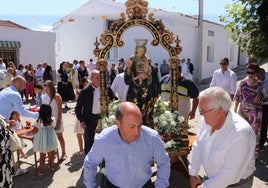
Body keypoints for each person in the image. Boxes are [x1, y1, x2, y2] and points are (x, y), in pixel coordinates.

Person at [83, 102, 170, 187]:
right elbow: (90, 162)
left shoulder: (152, 137)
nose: (138, 132)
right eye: (132, 127)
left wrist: (160, 185)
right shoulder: (105, 139)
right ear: (118, 123)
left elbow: (164, 162)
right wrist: (90, 185)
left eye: (139, 125)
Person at [189, 87, 256, 188]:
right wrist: (192, 174)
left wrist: (204, 187)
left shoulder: (240, 134)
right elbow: (197, 146)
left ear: (219, 111)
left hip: (235, 185)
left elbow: (229, 174)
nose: (200, 114)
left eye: (202, 110)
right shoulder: (207, 120)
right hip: (212, 180)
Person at [75, 70, 117, 155]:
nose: (99, 79)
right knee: (89, 142)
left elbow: (115, 102)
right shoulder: (85, 91)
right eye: (97, 77)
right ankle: (89, 162)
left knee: (105, 140)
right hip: (89, 119)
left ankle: (104, 162)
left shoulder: (107, 89)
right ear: (92, 79)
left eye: (100, 77)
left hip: (104, 118)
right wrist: (81, 120)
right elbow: (78, 108)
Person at [124, 39, 160, 126]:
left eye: (143, 51)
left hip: (146, 91)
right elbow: (127, 80)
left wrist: (149, 74)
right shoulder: (132, 62)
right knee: (133, 109)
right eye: (140, 50)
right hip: (134, 91)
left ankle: (145, 122)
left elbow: (153, 80)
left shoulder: (147, 62)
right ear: (136, 50)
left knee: (145, 111)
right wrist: (128, 68)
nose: (141, 52)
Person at [234, 63, 267, 157]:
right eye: (248, 72)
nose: (250, 74)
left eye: (252, 72)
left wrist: (259, 98)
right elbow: (237, 96)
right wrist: (235, 108)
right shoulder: (243, 83)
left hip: (256, 114)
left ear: (256, 73)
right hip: (243, 112)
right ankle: (242, 152)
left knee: (254, 134)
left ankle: (253, 154)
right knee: (243, 132)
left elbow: (265, 98)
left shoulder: (261, 85)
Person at [42, 80, 67, 161]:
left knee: (60, 136)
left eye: (47, 89)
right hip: (48, 121)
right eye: (45, 89)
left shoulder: (57, 96)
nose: (46, 91)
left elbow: (60, 110)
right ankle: (55, 152)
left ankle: (63, 153)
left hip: (57, 119)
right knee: (51, 138)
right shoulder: (44, 96)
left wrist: (58, 122)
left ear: (51, 88)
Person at [32, 104, 58, 177]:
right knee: (51, 155)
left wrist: (31, 128)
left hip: (42, 141)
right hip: (51, 140)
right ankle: (52, 167)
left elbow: (34, 131)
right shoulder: (52, 119)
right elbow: (54, 126)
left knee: (42, 156)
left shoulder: (38, 121)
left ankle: (41, 172)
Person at [0, 115, 14, 187]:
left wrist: (9, 126)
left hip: (6, 154)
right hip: (1, 157)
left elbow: (4, 130)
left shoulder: (0, 116)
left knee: (7, 178)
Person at [257, 68, 268, 149]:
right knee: (260, 123)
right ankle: (260, 140)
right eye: (257, 75)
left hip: (266, 105)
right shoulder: (257, 82)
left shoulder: (266, 81)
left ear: (264, 74)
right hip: (259, 105)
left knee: (264, 123)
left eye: (260, 75)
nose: (258, 77)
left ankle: (262, 141)